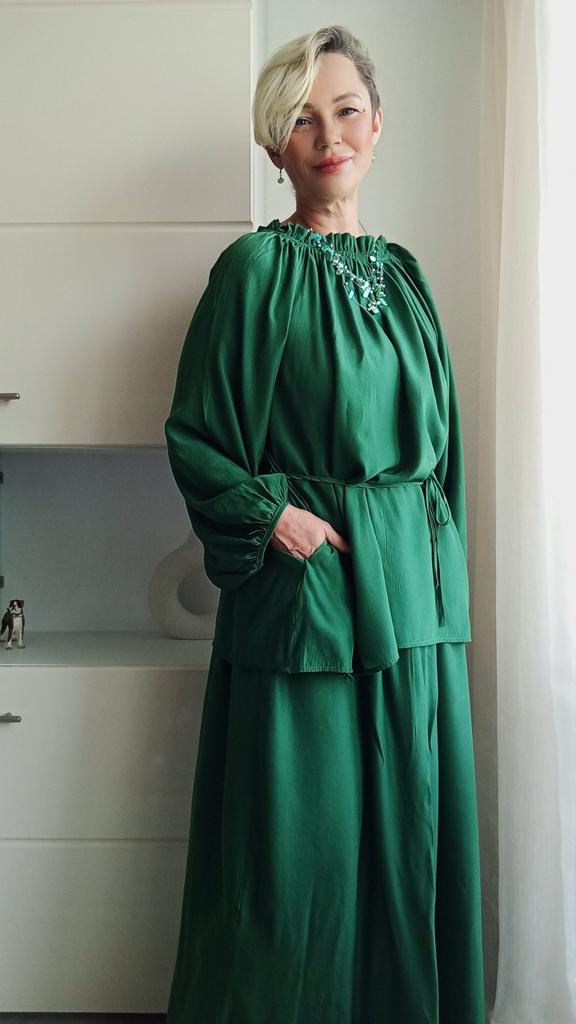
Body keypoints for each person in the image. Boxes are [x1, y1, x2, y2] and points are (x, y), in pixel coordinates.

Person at [163, 23, 485, 1024]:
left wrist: (441, 582)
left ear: (378, 125)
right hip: (306, 599)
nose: (329, 135)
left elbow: (444, 456)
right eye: (303, 119)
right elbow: (197, 436)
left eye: (345, 111)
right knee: (296, 859)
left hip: (415, 603)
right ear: (276, 144)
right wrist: (276, 519)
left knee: (410, 846)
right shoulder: (253, 272)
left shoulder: (409, 276)